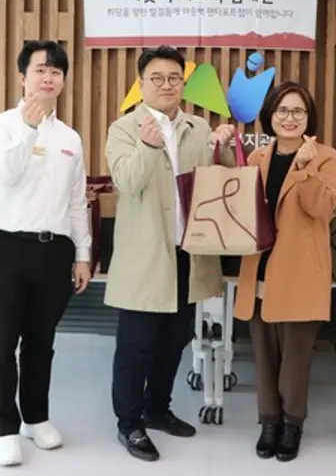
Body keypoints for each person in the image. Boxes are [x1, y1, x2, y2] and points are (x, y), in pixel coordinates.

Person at [104, 45, 235, 462]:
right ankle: (129, 423)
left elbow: (221, 182)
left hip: (187, 253)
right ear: (141, 83)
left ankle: (157, 408)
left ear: (184, 82)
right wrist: (147, 145)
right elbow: (127, 182)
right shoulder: (124, 129)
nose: (166, 85)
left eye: (174, 78)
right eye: (157, 78)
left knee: (175, 339)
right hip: (145, 257)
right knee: (137, 344)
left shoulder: (198, 127)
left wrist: (223, 148)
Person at [0, 40, 93, 467]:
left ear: (63, 80)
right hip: (7, 246)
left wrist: (82, 254)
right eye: (40, 70)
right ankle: (4, 428)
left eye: (56, 71)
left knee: (41, 341)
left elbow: (77, 200)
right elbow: (4, 177)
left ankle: (35, 416)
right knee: (1, 340)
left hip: (54, 250)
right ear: (22, 77)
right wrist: (28, 130)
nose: (48, 78)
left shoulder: (70, 137)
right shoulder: (0, 125)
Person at [233, 81, 336, 462]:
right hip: (259, 268)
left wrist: (307, 169)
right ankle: (268, 422)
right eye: (282, 110)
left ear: (309, 118)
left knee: (295, 356)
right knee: (263, 354)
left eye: (298, 111)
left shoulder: (324, 156)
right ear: (270, 116)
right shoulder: (258, 156)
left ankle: (292, 423)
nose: (289, 118)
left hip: (300, 271)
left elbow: (322, 209)